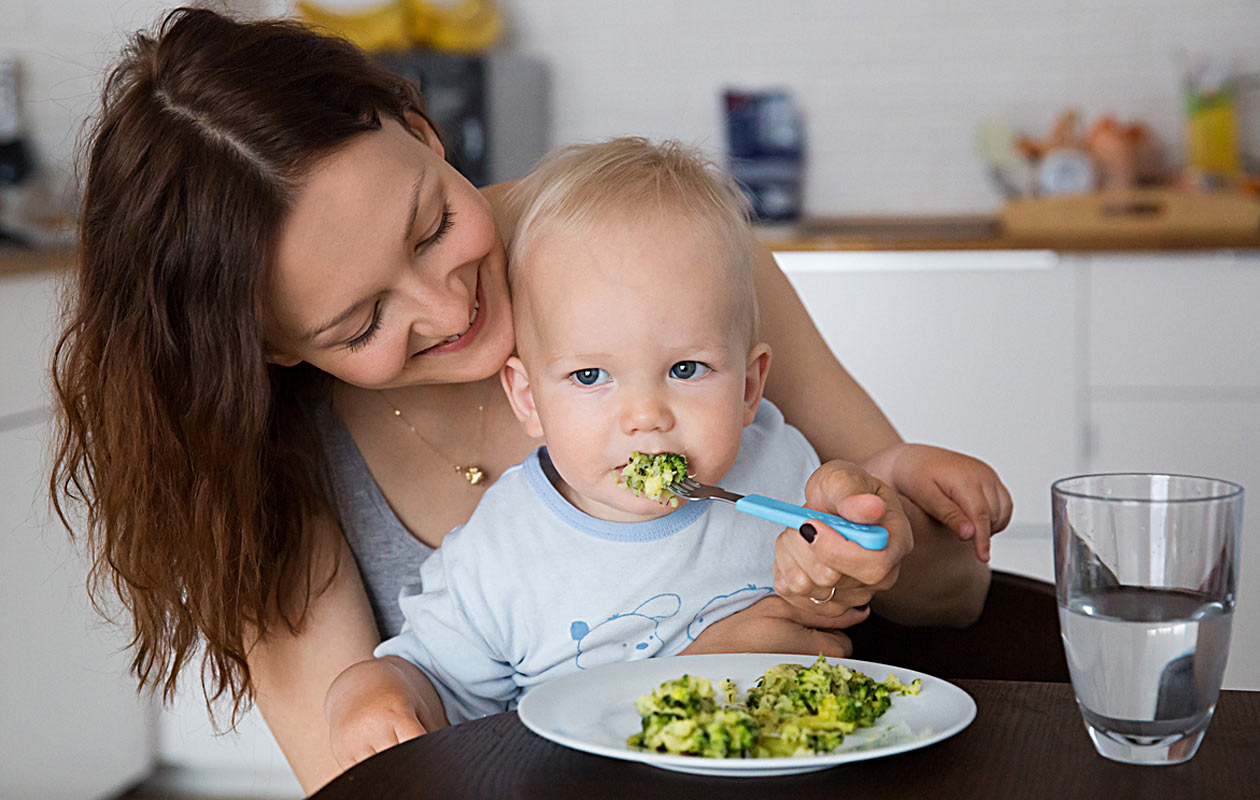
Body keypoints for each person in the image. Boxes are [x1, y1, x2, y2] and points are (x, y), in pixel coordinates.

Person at [50, 8, 1005, 794]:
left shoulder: (659, 258)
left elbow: (957, 595)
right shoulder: (264, 457)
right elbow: (370, 767)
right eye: (361, 322)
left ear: (423, 132)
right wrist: (666, 693)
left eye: (430, 226)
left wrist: (870, 553)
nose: (447, 305)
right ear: (269, 350)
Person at [326, 138, 1009, 743]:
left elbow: (860, 506)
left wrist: (902, 473)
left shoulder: (777, 463)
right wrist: (373, 691)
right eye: (591, 375)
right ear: (528, 398)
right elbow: (427, 674)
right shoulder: (500, 553)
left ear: (748, 387)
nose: (645, 415)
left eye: (686, 370)